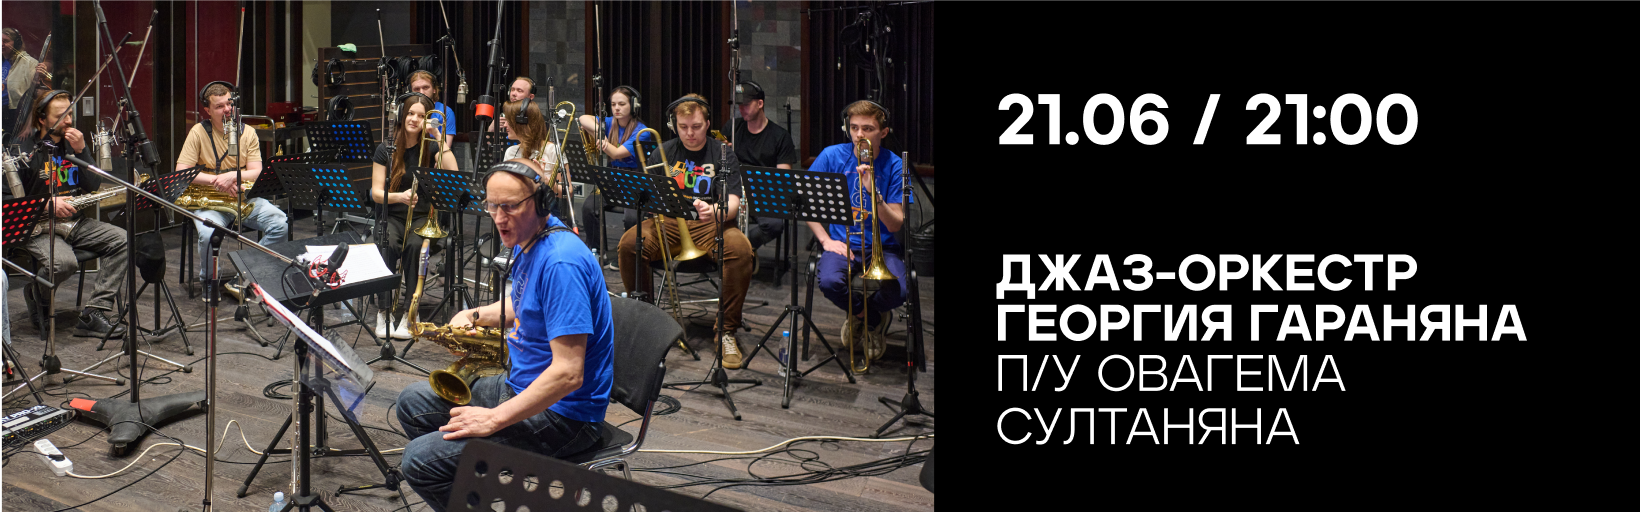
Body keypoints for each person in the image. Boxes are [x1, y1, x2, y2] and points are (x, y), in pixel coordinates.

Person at [397, 158, 613, 512]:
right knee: (412, 403)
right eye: (492, 205)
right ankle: (473, 487)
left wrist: (493, 419)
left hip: (565, 417)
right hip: (520, 384)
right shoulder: (533, 238)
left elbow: (568, 374)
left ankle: (469, 480)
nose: (499, 218)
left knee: (420, 461)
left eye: (510, 206)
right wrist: (476, 314)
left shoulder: (561, 262)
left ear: (541, 202)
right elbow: (526, 300)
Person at [616, 93, 754, 368]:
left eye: (696, 126)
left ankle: (726, 330)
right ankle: (647, 323)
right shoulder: (663, 151)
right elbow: (648, 197)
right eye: (683, 127)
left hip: (710, 224)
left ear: (708, 124)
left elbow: (733, 204)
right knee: (629, 244)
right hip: (668, 223)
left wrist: (713, 211)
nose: (690, 133)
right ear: (674, 125)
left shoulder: (723, 153)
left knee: (741, 250)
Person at [9, 90, 127, 338]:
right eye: (61, 116)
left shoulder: (72, 145)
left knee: (123, 240)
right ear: (42, 119)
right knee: (64, 263)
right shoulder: (22, 149)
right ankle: (37, 294)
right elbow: (7, 199)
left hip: (74, 222)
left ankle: (94, 312)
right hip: (38, 226)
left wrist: (82, 150)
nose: (69, 121)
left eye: (70, 114)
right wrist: (46, 204)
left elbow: (93, 185)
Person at [807, 100, 911, 358]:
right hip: (842, 243)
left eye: (867, 128)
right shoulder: (831, 156)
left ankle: (862, 315)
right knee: (829, 282)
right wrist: (825, 240)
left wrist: (874, 193)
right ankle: (869, 317)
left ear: (883, 132)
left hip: (882, 246)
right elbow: (806, 203)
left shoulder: (895, 165)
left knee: (901, 289)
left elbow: (895, 223)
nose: (859, 135)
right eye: (854, 128)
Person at [175, 81, 288, 291]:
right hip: (210, 201)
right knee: (208, 234)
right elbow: (182, 171)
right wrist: (219, 181)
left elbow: (256, 171)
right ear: (208, 110)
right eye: (219, 106)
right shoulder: (198, 132)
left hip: (243, 197)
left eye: (229, 104)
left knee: (280, 224)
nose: (227, 109)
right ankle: (210, 283)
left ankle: (245, 275)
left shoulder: (248, 132)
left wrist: (232, 177)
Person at [371, 92, 458, 339]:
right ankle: (384, 310)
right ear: (402, 115)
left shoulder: (431, 146)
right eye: (410, 113)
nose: (414, 119)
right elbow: (376, 193)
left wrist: (438, 136)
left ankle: (412, 311)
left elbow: (453, 172)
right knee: (386, 242)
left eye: (421, 116)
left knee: (414, 246)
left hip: (422, 217)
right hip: (392, 215)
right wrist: (400, 197)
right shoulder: (386, 148)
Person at [576, 85, 654, 259]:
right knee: (589, 207)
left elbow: (617, 153)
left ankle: (628, 255)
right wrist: (600, 132)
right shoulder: (610, 122)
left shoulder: (641, 131)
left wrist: (603, 142)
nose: (616, 108)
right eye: (613, 104)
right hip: (613, 178)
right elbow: (582, 118)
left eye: (622, 104)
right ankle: (597, 252)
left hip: (635, 180)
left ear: (633, 105)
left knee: (631, 218)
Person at [723, 80, 797, 251]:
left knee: (774, 225)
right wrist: (723, 153)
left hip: (763, 193)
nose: (741, 109)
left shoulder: (780, 136)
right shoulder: (732, 127)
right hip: (734, 189)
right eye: (739, 105)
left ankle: (740, 250)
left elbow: (783, 178)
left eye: (746, 104)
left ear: (760, 103)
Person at [500, 99, 570, 225]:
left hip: (547, 212)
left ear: (522, 122)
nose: (505, 125)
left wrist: (545, 181)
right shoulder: (511, 152)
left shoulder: (553, 150)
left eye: (508, 121)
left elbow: (567, 192)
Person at [2, 28, 44, 139]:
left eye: (5, 41)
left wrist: (29, 126)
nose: (1, 44)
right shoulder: (3, 62)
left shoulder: (29, 63)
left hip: (18, 118)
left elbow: (38, 97)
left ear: (16, 43)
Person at [406, 70, 456, 150]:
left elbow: (446, 148)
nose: (421, 92)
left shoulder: (446, 112)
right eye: (417, 89)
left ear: (434, 89)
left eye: (425, 87)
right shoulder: (406, 109)